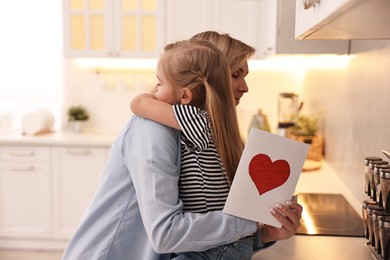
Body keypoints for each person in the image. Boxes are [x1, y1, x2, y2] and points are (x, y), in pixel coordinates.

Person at [62, 32, 302, 260]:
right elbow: (166, 233)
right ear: (209, 78)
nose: (245, 87)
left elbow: (207, 228)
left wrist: (265, 233)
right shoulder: (155, 129)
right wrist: (251, 221)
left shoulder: (205, 131)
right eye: (236, 74)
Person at [130, 39, 253, 259]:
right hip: (222, 244)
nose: (156, 92)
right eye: (235, 75)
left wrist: (147, 96)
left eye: (160, 84)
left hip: (211, 249)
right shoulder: (212, 123)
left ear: (185, 96)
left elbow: (138, 103)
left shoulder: (193, 119)